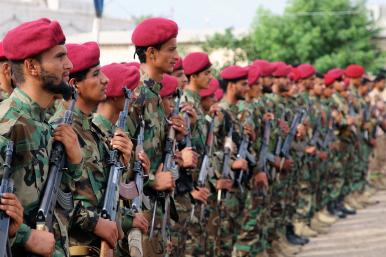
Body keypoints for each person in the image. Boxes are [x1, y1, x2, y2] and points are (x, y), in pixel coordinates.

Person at [0, 18, 83, 257]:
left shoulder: (44, 122)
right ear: (32, 67)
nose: (69, 64)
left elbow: (61, 202)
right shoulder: (8, 124)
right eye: (59, 57)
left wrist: (74, 161)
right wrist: (25, 236)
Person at [49, 42, 132, 256]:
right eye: (96, 74)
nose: (105, 79)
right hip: (75, 247)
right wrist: (95, 223)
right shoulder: (60, 129)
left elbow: (108, 191)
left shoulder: (96, 131)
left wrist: (125, 162)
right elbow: (53, 195)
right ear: (75, 84)